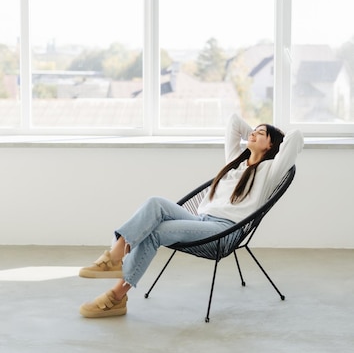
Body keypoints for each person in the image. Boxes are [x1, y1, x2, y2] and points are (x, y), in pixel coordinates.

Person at [78, 113, 304, 318]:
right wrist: (256, 136)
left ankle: (116, 296)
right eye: (253, 131)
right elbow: (234, 122)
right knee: (155, 203)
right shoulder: (235, 162)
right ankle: (115, 257)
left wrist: (272, 139)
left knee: (155, 233)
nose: (253, 133)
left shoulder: (271, 171)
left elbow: (296, 137)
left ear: (272, 144)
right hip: (200, 221)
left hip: (224, 230)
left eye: (260, 133)